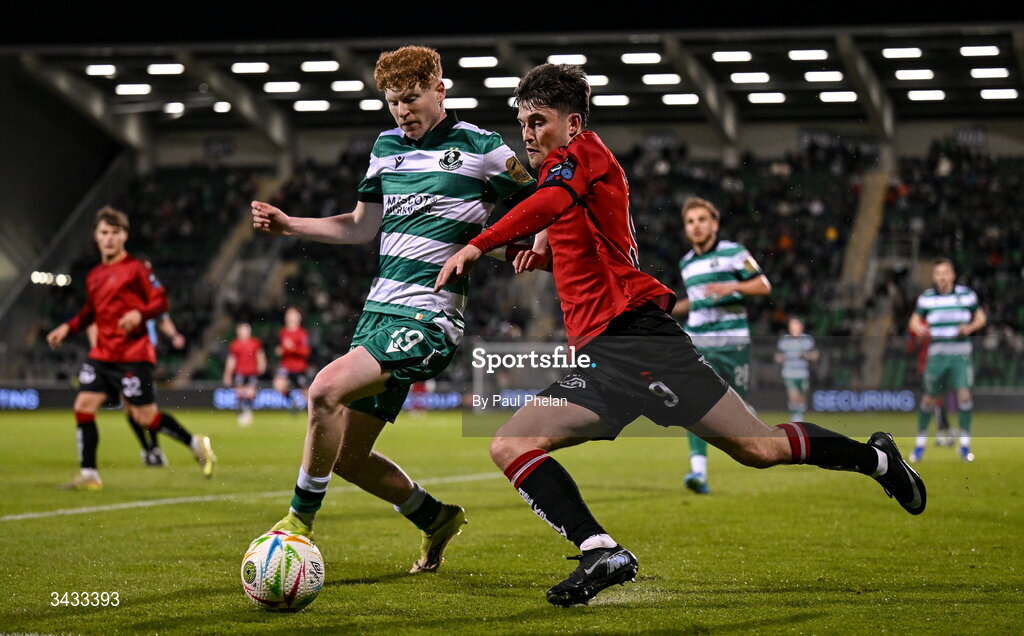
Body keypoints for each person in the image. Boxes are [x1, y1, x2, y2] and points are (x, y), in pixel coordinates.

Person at [435, 63, 926, 607]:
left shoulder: (586, 156)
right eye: (522, 122)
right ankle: (600, 549)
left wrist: (479, 243)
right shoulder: (561, 178)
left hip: (639, 340)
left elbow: (551, 206)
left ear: (573, 123)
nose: (528, 133)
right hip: (601, 355)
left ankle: (877, 460)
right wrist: (521, 254)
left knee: (758, 448)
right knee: (511, 443)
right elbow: (578, 247)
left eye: (539, 121)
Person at [250, 45, 536, 573]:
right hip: (377, 316)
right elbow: (361, 226)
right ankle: (435, 517)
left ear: (439, 90)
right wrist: (292, 225)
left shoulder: (483, 147)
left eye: (411, 98)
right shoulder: (385, 147)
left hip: (429, 319)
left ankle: (297, 524)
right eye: (392, 102)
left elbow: (540, 202)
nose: (402, 111)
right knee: (348, 459)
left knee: (323, 390)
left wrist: (517, 247)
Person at [46, 206, 217, 490]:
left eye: (115, 232)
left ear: (124, 236)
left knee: (145, 418)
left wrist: (140, 314)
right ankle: (89, 474)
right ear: (96, 236)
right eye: (104, 233)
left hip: (133, 356)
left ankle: (194, 442)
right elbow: (90, 312)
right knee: (83, 406)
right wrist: (67, 327)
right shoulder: (95, 275)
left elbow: (161, 302)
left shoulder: (137, 269)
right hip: (102, 355)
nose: (109, 238)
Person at [671, 197, 772, 494]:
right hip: (698, 341)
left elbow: (763, 286)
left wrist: (733, 287)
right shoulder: (686, 262)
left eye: (702, 220)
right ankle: (698, 472)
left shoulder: (733, 253)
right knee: (694, 403)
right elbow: (698, 302)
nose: (696, 226)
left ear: (714, 224)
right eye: (690, 222)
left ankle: (769, 440)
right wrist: (663, 307)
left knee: (737, 407)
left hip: (732, 342)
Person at [88, 256, 188, 467]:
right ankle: (149, 448)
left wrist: (174, 335)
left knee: (145, 408)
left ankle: (154, 447)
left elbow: (163, 318)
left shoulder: (148, 299)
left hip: (142, 355)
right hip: (120, 355)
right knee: (129, 406)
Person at [907, 258, 986, 462]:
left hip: (960, 353)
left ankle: (965, 446)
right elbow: (914, 320)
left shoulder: (966, 295)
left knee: (965, 396)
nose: (941, 277)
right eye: (938, 274)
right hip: (937, 354)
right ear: (934, 277)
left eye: (945, 273)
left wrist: (969, 328)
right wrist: (919, 328)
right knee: (928, 399)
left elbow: (981, 318)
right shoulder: (927, 298)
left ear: (952, 275)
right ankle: (919, 445)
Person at [775, 316, 819, 422]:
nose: (794, 328)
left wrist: (806, 355)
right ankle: (795, 420)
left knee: (801, 397)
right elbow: (777, 356)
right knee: (793, 395)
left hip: (803, 373)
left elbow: (816, 355)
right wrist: (780, 358)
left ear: (801, 326)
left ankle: (799, 417)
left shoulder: (807, 340)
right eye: (792, 326)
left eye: (796, 325)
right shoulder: (784, 340)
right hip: (789, 373)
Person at [223, 322, 266, 427]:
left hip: (252, 372)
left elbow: (260, 354)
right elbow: (231, 360)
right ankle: (242, 413)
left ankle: (248, 412)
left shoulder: (255, 343)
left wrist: (262, 364)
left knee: (251, 393)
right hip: (240, 372)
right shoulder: (235, 345)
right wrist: (227, 374)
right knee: (239, 392)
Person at [273, 306, 312, 413]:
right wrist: (281, 350)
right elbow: (280, 349)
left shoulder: (302, 333)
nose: (290, 317)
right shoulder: (283, 333)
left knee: (306, 392)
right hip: (286, 366)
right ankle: (292, 401)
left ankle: (311, 412)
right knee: (278, 385)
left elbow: (306, 352)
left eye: (293, 315)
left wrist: (293, 348)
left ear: (298, 318)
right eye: (289, 315)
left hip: (299, 367)